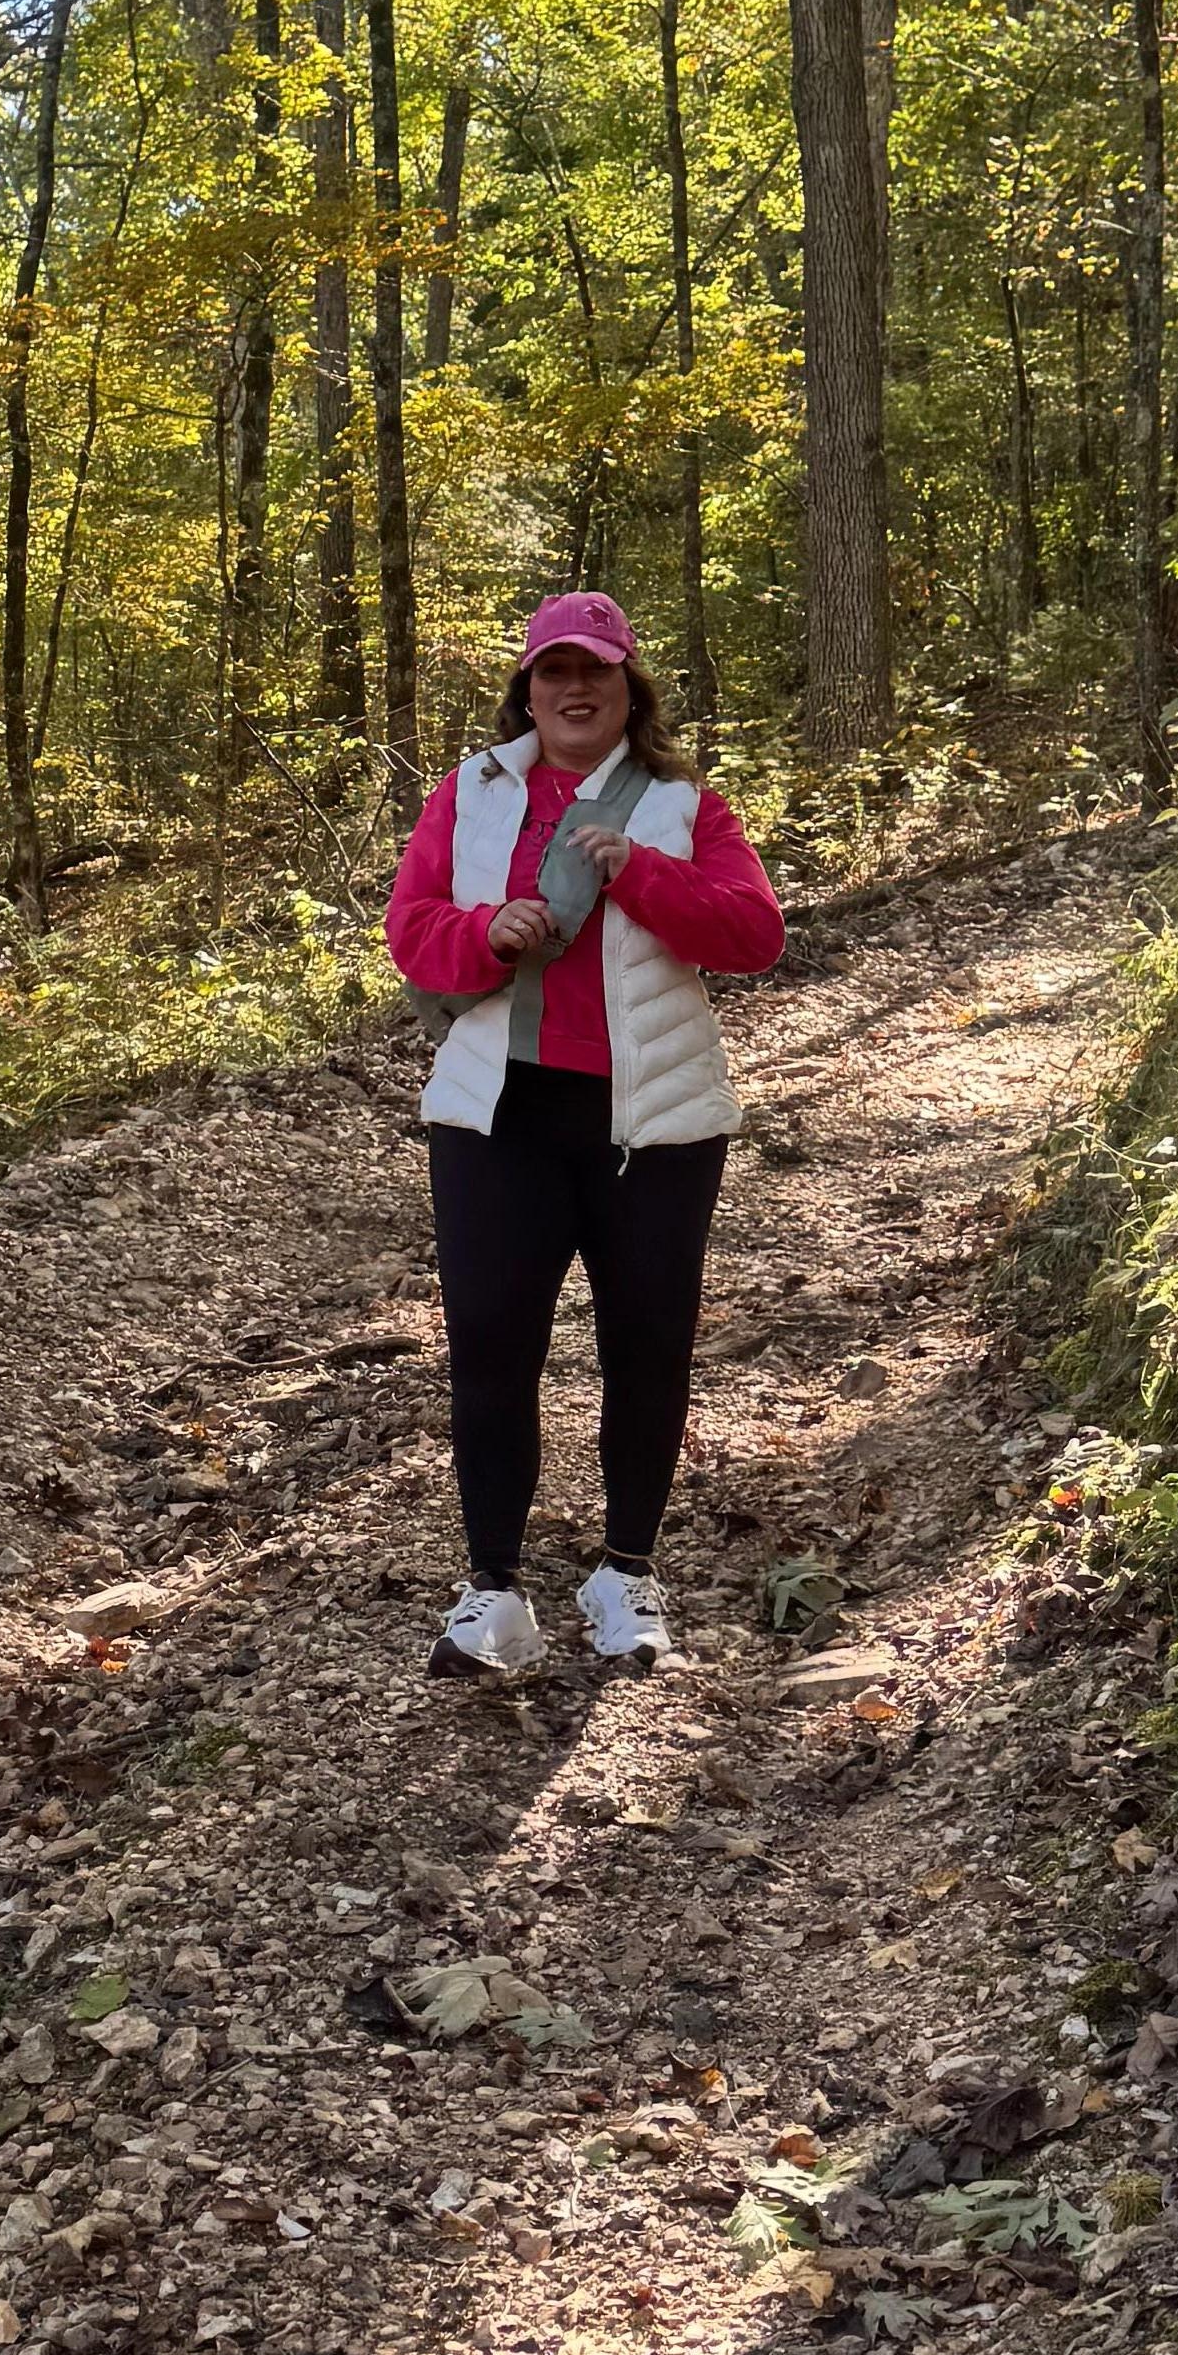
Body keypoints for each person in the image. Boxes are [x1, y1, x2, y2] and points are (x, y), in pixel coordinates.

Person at [382, 591, 786, 1679]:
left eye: (595, 674)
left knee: (647, 1347)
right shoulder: (468, 795)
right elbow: (412, 932)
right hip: (497, 1117)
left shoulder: (686, 807)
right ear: (527, 688)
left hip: (652, 1123)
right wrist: (486, 931)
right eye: (553, 672)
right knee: (491, 1349)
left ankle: (628, 1574)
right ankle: (493, 1594)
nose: (573, 690)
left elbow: (755, 936)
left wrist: (637, 873)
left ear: (626, 690)